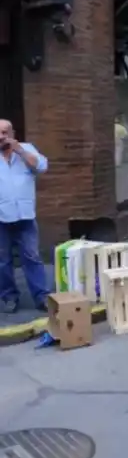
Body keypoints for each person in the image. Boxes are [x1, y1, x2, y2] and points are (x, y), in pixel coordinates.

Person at [0, 119, 50, 313]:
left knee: (32, 256)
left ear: (12, 133)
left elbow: (41, 167)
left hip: (25, 216)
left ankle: (41, 296)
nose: (1, 137)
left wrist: (19, 150)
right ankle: (8, 297)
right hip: (1, 217)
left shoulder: (26, 149)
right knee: (3, 260)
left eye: (5, 132)